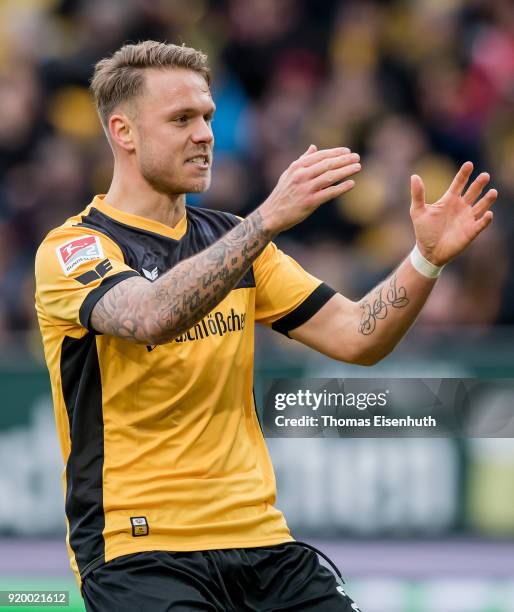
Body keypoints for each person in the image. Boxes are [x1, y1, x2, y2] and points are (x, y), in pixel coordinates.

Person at [34, 41, 497, 612]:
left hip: (262, 544)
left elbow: (358, 336)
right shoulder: (74, 248)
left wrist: (425, 260)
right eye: (181, 119)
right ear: (123, 132)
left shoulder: (236, 241)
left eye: (207, 116)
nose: (205, 133)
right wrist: (266, 220)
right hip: (140, 551)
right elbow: (150, 315)